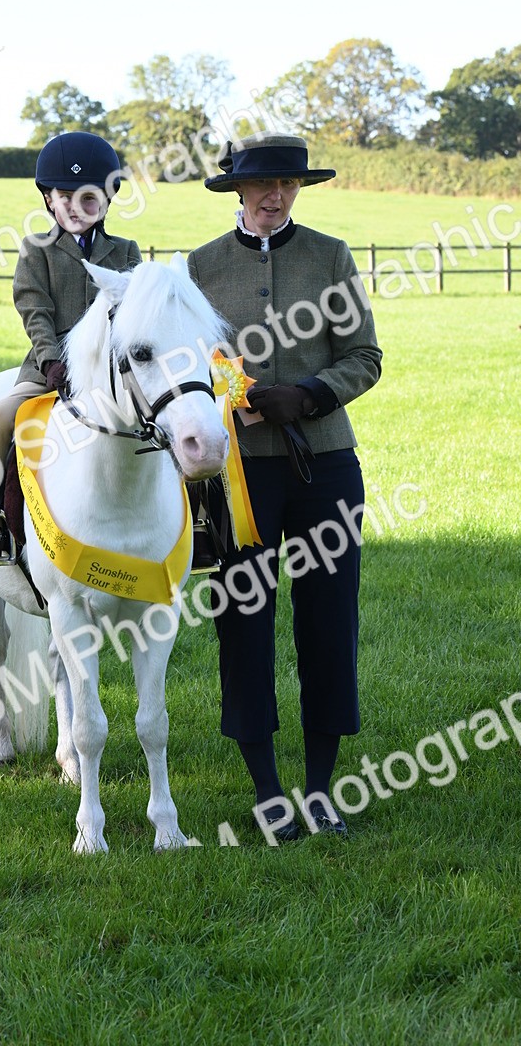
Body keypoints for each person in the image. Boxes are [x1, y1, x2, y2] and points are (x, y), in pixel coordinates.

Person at [188, 133, 382, 839]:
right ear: (239, 189)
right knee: (243, 624)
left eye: (289, 184)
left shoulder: (330, 256)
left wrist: (309, 394)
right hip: (238, 475)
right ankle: (267, 791)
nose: (276, 196)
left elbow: (365, 356)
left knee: (329, 623)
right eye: (264, 184)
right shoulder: (201, 266)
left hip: (325, 467)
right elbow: (187, 363)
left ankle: (321, 790)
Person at [0, 131, 141, 563]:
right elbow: (35, 311)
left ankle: (197, 522)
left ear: (107, 201)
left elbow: (135, 316)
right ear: (48, 199)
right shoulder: (36, 250)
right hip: (50, 371)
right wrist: (51, 362)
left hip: (111, 374)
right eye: (65, 197)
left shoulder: (126, 252)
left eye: (88, 198)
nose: (76, 208)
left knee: (169, 413)